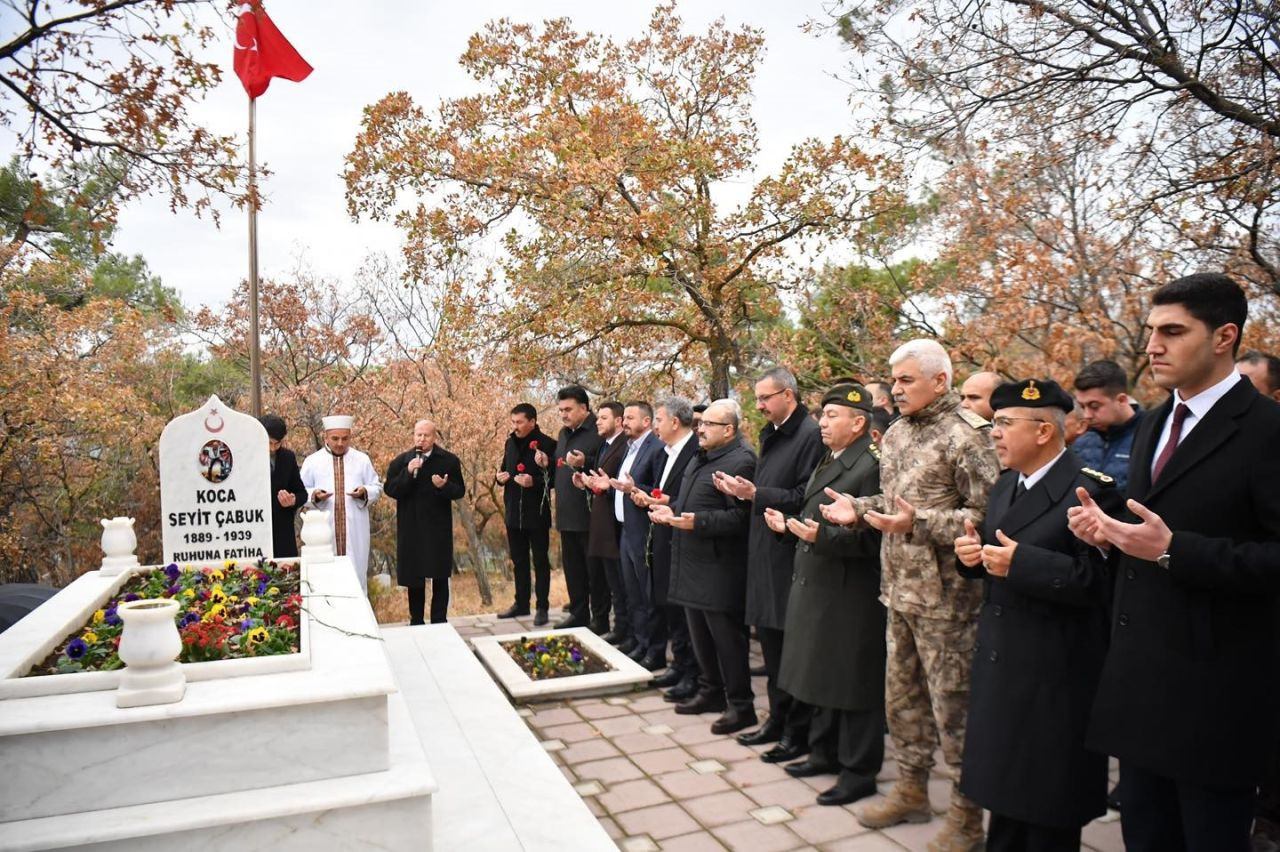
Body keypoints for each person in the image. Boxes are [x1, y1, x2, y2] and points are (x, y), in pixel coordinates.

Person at [1069, 273, 1280, 851]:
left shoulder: (1267, 430)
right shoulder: (1157, 423)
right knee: (1146, 836)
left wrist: (1173, 550)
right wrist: (1108, 536)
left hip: (1216, 696)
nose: (1153, 346)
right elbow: (1150, 528)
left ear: (1224, 337)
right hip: (1140, 687)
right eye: (1150, 331)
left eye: (1172, 331)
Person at [821, 339, 1000, 852]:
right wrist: (858, 508)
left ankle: (967, 819)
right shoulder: (897, 432)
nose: (895, 389)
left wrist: (917, 522)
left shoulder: (969, 436)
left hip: (949, 603)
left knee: (954, 711)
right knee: (902, 702)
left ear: (940, 381)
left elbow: (988, 516)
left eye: (906, 380)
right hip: (898, 591)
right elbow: (894, 501)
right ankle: (911, 790)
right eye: (894, 380)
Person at [953, 379, 1120, 850]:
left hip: (1054, 675)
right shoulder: (1008, 483)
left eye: (1005, 423)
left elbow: (1104, 583)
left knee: (1047, 804)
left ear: (1044, 431)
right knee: (1004, 796)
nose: (994, 433)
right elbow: (997, 556)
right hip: (1004, 663)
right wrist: (971, 558)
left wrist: (1021, 563)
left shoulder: (1090, 491)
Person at [766, 382, 885, 807]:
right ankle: (823, 752)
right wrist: (789, 528)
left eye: (833, 416)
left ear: (858, 423)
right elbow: (814, 516)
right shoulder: (832, 457)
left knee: (853, 683)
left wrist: (822, 537)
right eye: (824, 415)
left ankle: (858, 771)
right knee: (821, 675)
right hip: (819, 584)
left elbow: (877, 539)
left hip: (850, 592)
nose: (822, 423)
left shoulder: (870, 466)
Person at [716, 367, 825, 762]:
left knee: (789, 652)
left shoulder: (809, 435)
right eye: (758, 398)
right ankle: (777, 721)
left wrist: (756, 494)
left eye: (765, 398)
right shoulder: (773, 433)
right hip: (763, 552)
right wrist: (743, 493)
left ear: (788, 395)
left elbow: (804, 495)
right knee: (773, 650)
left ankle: (797, 731)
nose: (759, 405)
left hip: (787, 554)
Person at [650, 398, 758, 736]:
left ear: (729, 430)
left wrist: (697, 522)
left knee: (728, 642)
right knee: (701, 638)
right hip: (691, 564)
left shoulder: (741, 461)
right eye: (701, 423)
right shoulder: (702, 456)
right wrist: (671, 512)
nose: (700, 428)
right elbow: (692, 502)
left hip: (719, 568)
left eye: (709, 424)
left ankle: (741, 706)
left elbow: (742, 517)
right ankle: (711, 692)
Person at [632, 396, 702, 701]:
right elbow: (666, 493)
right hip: (662, 535)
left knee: (684, 613)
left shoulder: (695, 451)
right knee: (668, 605)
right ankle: (679, 664)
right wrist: (650, 498)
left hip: (683, 539)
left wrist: (667, 503)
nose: (655, 426)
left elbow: (690, 498)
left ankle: (693, 673)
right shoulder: (665, 452)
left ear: (675, 422)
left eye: (658, 420)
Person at [384, 420, 466, 624]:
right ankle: (416, 620)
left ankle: (439, 619)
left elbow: (459, 491)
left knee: (440, 575)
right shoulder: (401, 461)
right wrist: (408, 473)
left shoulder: (448, 461)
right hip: (411, 527)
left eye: (426, 435)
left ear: (434, 437)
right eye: (418, 435)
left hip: (438, 527)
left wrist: (444, 486)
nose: (421, 439)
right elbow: (390, 489)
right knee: (414, 576)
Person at [536, 385, 602, 629]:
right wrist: (547, 464)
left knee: (595, 572)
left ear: (584, 407)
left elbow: (608, 465)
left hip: (591, 516)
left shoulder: (598, 430)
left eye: (568, 409)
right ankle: (578, 613)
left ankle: (601, 619)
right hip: (566, 514)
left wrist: (586, 462)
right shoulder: (563, 434)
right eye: (561, 410)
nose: (563, 414)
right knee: (574, 571)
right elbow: (560, 470)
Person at [607, 401, 666, 668]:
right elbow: (625, 487)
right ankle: (639, 642)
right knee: (633, 593)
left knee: (647, 594)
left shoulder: (656, 448)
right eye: (624, 418)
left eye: (630, 418)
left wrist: (634, 488)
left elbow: (659, 490)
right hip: (626, 530)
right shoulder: (630, 448)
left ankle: (655, 650)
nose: (624, 422)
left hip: (644, 531)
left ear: (646, 421)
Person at [300, 415, 383, 594]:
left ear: (350, 436)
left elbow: (376, 487)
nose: (340, 443)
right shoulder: (312, 462)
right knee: (326, 580)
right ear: (325, 437)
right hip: (323, 531)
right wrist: (315, 495)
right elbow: (300, 492)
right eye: (335, 438)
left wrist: (364, 491)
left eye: (345, 439)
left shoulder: (362, 460)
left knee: (356, 577)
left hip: (355, 530)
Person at [496, 403, 555, 625]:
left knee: (540, 561)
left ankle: (542, 607)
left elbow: (554, 479)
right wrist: (499, 478)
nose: (515, 426)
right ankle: (521, 604)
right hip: (513, 512)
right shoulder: (509, 443)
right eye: (513, 422)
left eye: (519, 422)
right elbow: (504, 469)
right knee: (518, 561)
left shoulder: (548, 444)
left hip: (536, 513)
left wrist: (535, 481)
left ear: (532, 421)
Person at [577, 402, 627, 638]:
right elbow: (602, 482)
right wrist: (588, 484)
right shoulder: (604, 446)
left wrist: (603, 486)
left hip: (615, 526)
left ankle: (625, 629)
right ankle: (620, 628)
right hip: (602, 524)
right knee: (613, 583)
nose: (597, 421)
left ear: (618, 421)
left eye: (603, 418)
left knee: (621, 585)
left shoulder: (624, 445)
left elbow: (618, 483)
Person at [1072, 359, 1144, 491]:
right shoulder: (1082, 443)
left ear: (1121, 400)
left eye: (1094, 406)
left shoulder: (1150, 436)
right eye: (1082, 407)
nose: (1087, 415)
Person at [259, 414, 307, 558]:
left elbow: (301, 493)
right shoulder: (246, 457)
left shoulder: (288, 457)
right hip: (256, 530)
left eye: (277, 443)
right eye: (269, 443)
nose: (273, 448)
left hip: (283, 532)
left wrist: (293, 500)